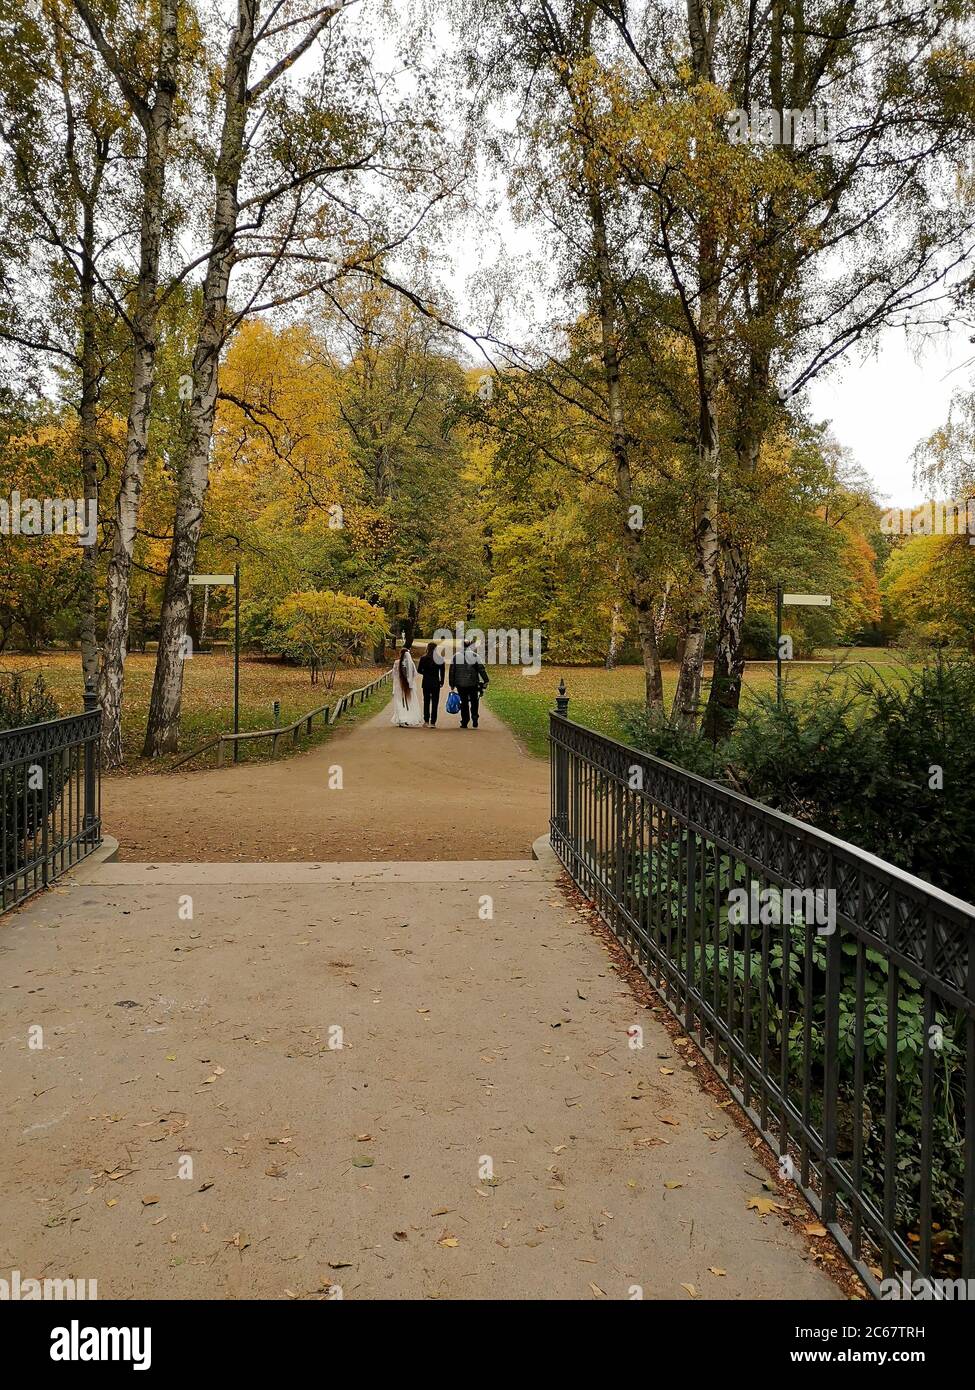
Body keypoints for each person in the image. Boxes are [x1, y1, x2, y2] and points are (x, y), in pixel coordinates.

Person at [448, 638, 489, 728]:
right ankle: (474, 718)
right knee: (474, 701)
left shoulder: (456, 656)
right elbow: (481, 669)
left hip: (460, 684)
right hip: (473, 683)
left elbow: (452, 671)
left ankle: (464, 721)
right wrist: (486, 680)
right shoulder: (475, 656)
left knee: (464, 702)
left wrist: (451, 684)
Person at [390, 643, 422, 727]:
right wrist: (410, 680)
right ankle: (408, 718)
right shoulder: (411, 664)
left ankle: (401, 718)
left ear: (401, 654)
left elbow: (393, 675)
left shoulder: (396, 663)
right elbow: (414, 673)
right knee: (408, 702)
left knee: (399, 702)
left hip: (398, 685)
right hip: (408, 685)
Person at [417, 641, 445, 727]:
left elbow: (419, 670)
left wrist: (425, 673)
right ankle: (433, 722)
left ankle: (426, 721)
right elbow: (442, 672)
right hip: (435, 682)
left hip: (426, 682)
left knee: (426, 701)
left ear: (428, 648)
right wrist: (442, 681)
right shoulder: (440, 659)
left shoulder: (423, 658)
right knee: (435, 702)